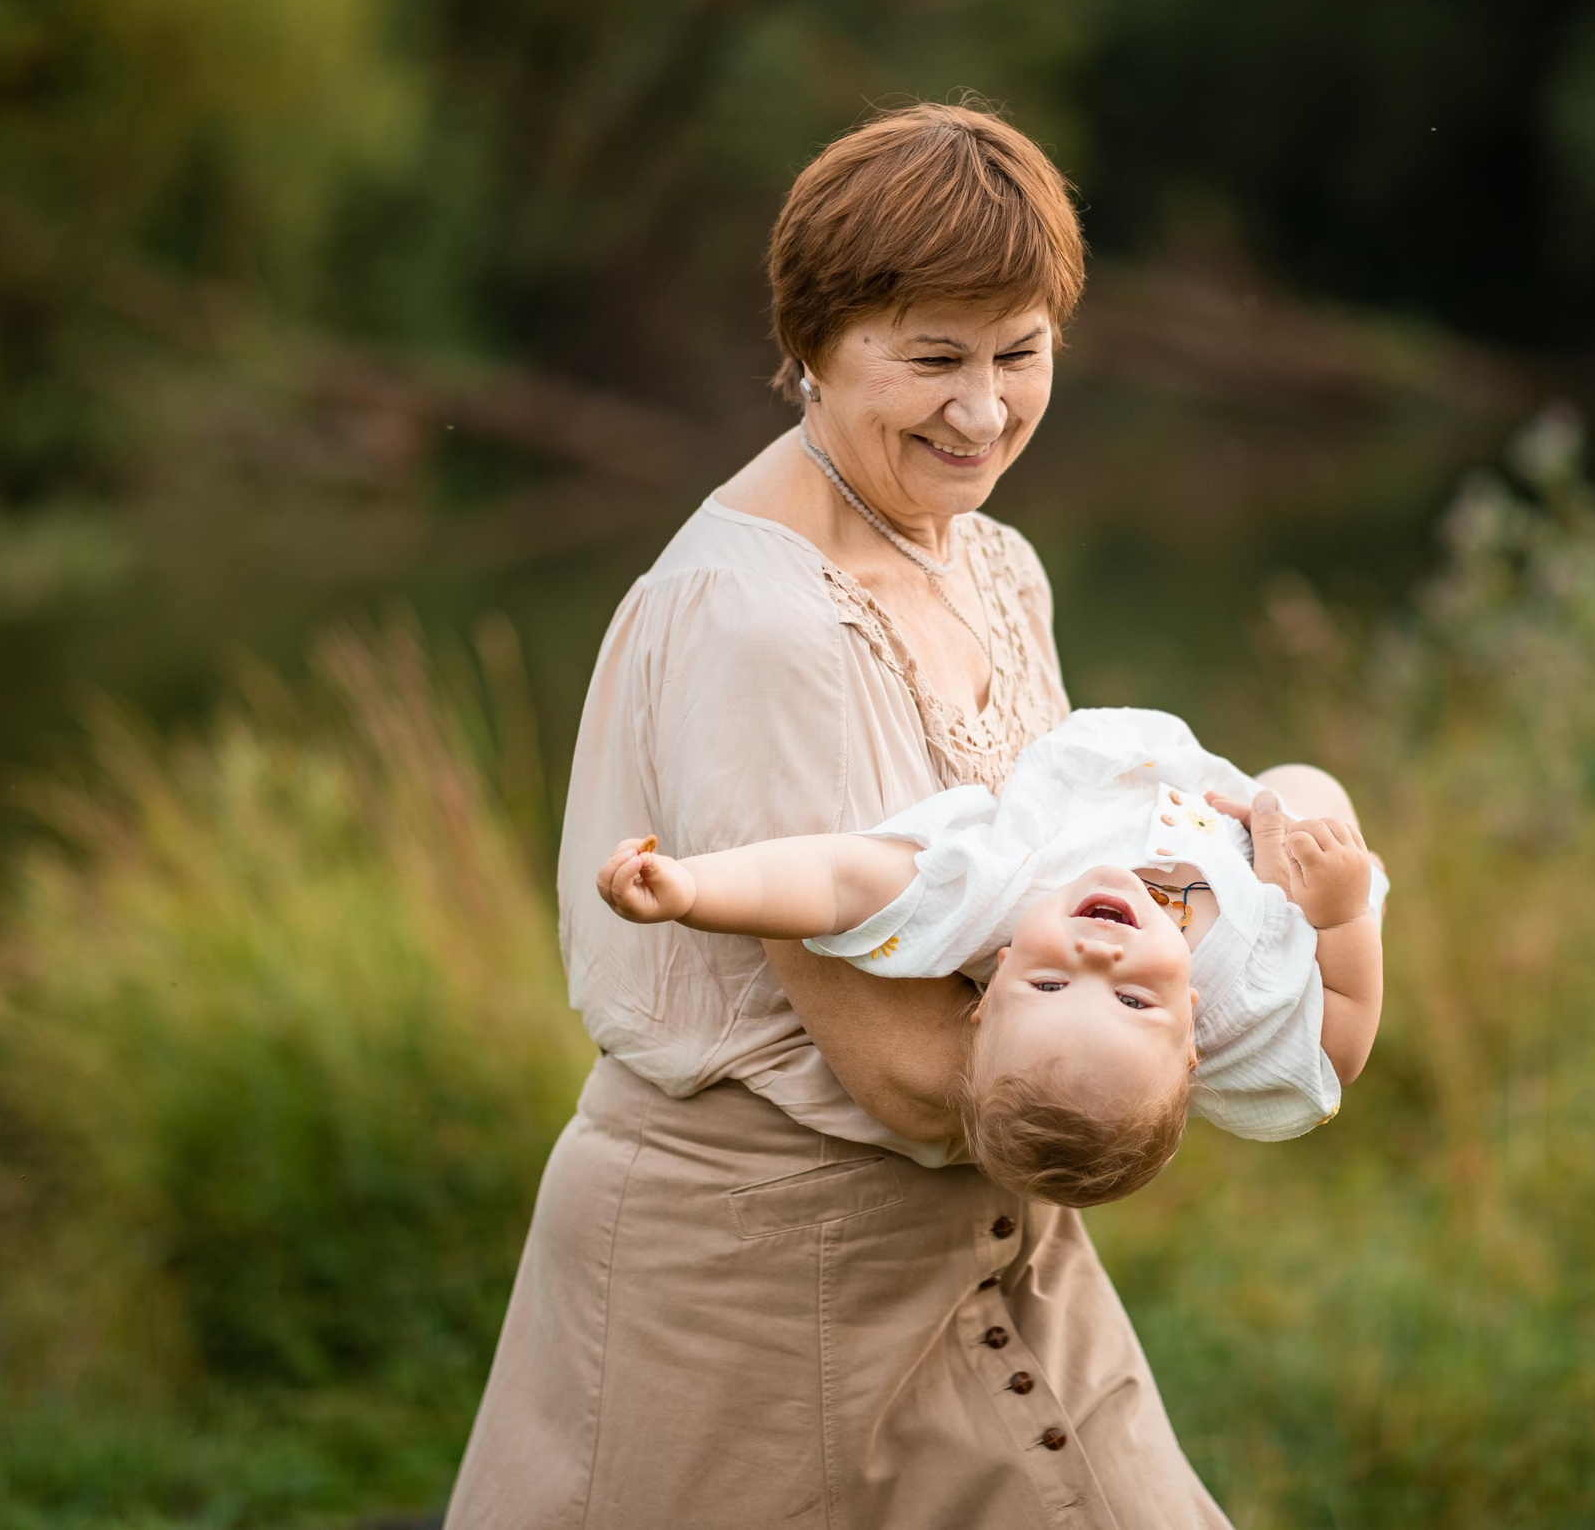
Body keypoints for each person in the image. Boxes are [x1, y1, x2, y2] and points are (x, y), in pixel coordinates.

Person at [443, 103, 1250, 1528]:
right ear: (810, 344)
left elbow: (1042, 891)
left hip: (1004, 1234)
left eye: (1020, 352)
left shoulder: (994, 560)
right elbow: (892, 1061)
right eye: (933, 358)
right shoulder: (766, 625)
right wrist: (1223, 1038)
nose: (984, 409)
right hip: (756, 1281)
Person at [590, 708, 1388, 1211]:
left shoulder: (993, 889)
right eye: (1134, 1001)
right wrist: (1342, 910)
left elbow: (836, 880)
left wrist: (693, 889)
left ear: (993, 976)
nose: (1099, 954)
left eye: (1050, 981)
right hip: (1288, 862)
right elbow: (1340, 1051)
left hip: (1149, 783)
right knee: (1304, 782)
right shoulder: (1251, 1011)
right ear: (1191, 1039)